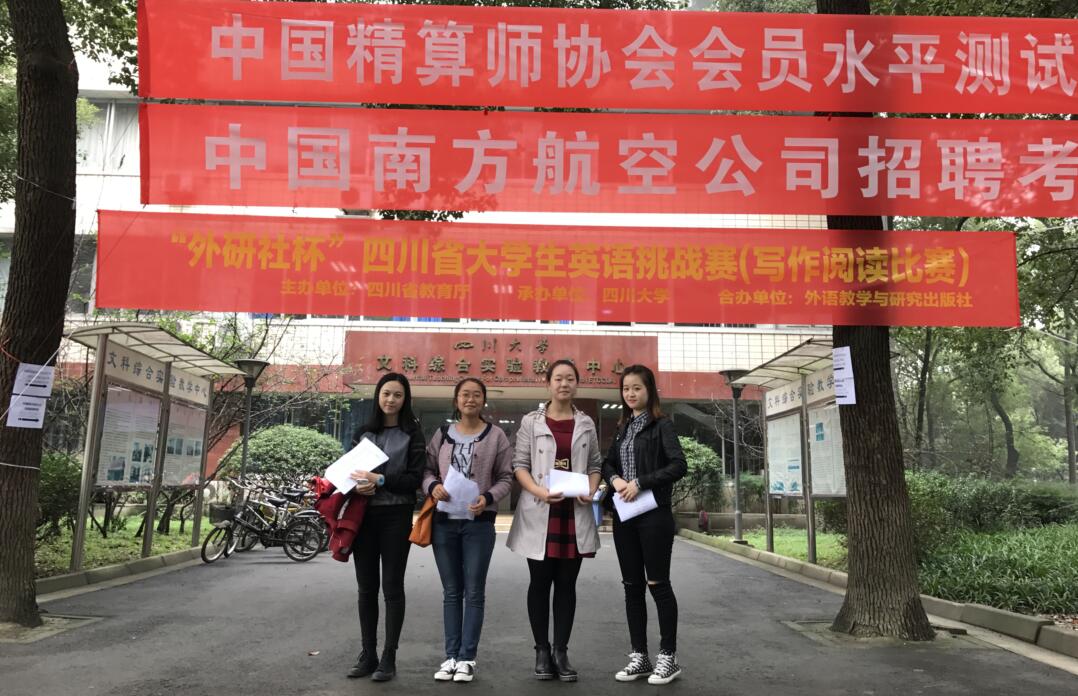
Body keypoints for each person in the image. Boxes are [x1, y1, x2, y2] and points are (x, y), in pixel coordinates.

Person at [506, 359, 602, 682]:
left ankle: (561, 651)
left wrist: (591, 489)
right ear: (547, 383)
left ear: (577, 383)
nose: (564, 384)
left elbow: (595, 464)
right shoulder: (531, 422)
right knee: (539, 583)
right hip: (541, 511)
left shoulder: (586, 423)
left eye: (570, 378)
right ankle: (541, 650)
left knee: (566, 585)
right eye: (558, 378)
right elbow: (519, 465)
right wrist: (539, 491)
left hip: (574, 513)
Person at [423, 378, 514, 683]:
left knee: (474, 591)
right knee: (451, 591)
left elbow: (506, 477)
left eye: (476, 395)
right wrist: (432, 486)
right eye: (465, 395)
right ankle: (450, 656)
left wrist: (488, 497)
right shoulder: (441, 434)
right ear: (456, 400)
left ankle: (467, 658)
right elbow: (426, 470)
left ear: (483, 400)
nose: (470, 399)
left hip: (479, 523)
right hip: (444, 523)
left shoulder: (496, 436)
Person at [602, 364, 687, 685]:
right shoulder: (623, 428)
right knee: (632, 586)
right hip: (625, 517)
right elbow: (608, 462)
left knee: (658, 584)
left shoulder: (661, 425)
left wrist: (640, 482)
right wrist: (615, 479)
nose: (630, 394)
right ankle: (640, 656)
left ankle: (668, 657)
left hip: (654, 515)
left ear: (649, 390)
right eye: (626, 389)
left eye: (636, 388)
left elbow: (679, 465)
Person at [346, 372, 426, 682]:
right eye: (386, 393)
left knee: (392, 587)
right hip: (364, 517)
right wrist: (357, 486)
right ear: (378, 396)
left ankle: (389, 656)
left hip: (396, 515)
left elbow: (414, 479)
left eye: (397, 395)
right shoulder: (363, 432)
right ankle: (368, 654)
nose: (391, 399)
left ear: (405, 400)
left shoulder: (412, 434)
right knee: (366, 588)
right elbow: (348, 473)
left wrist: (379, 480)